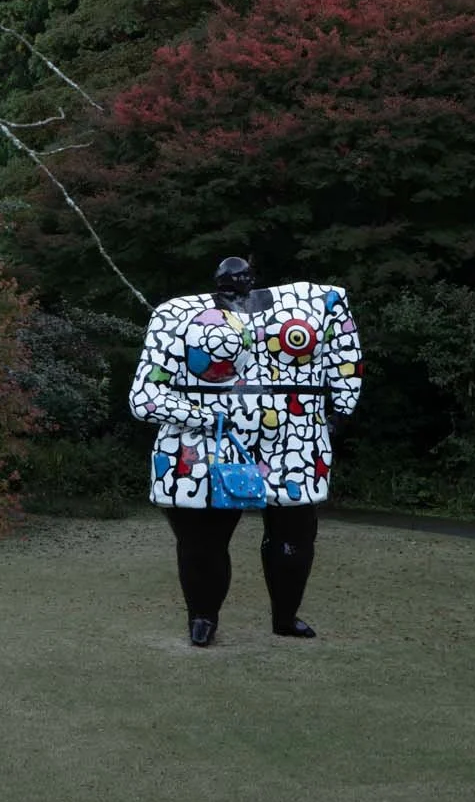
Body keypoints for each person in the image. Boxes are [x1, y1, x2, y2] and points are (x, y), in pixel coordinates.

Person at [127, 256, 362, 647]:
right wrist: (207, 416)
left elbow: (345, 361)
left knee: (294, 537)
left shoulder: (323, 303)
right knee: (202, 542)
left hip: (293, 440)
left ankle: (285, 615)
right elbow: (145, 397)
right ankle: (203, 616)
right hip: (204, 446)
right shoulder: (176, 314)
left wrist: (341, 408)